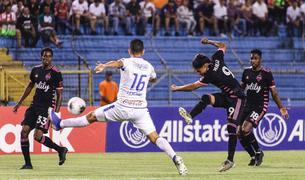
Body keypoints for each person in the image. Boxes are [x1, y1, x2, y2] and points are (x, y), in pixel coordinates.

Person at [49, 39, 188, 176]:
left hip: (122, 107)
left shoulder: (127, 61)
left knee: (91, 117)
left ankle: (60, 123)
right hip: (140, 110)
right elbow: (153, 78)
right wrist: (147, 78)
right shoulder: (149, 66)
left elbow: (117, 63)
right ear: (143, 51)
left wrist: (104, 65)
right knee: (155, 137)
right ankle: (175, 157)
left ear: (129, 51)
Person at [170, 37, 245, 172]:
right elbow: (222, 45)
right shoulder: (216, 58)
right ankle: (190, 116)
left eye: (199, 71)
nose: (198, 73)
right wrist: (210, 42)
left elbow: (193, 86)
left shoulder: (210, 74)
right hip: (227, 96)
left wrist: (177, 88)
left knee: (231, 128)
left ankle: (230, 161)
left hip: (237, 98)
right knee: (206, 98)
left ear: (205, 66)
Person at [12, 47, 68, 170]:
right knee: (24, 131)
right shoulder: (35, 70)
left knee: (37, 136)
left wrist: (56, 112)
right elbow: (30, 87)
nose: (46, 58)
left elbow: (59, 94)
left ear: (51, 58)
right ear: (41, 57)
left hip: (46, 108)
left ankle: (60, 149)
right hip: (34, 106)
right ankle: (28, 164)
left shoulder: (56, 73)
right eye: (44, 55)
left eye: (48, 56)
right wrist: (19, 103)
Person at [238, 49, 289, 166]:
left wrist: (281, 108)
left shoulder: (266, 73)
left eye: (255, 58)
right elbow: (241, 88)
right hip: (247, 105)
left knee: (245, 129)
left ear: (260, 59)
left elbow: (274, 93)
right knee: (238, 132)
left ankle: (259, 151)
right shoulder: (246, 72)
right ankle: (253, 155)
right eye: (251, 58)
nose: (253, 61)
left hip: (260, 106)